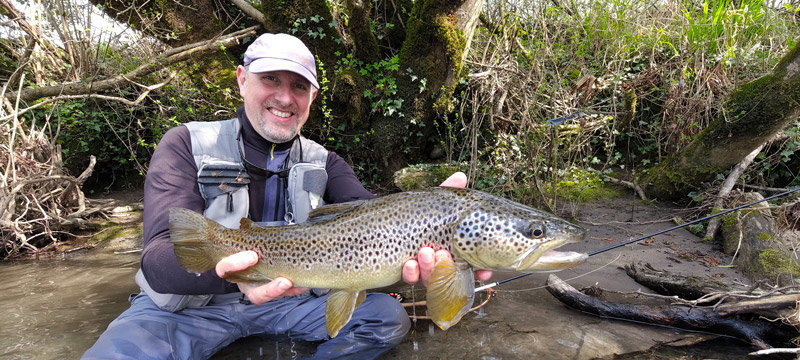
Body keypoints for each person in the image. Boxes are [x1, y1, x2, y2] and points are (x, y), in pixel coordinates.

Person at [83, 33, 491, 360]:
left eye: (299, 86)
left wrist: (430, 215)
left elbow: (372, 213)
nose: (284, 97)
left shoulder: (325, 162)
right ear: (242, 79)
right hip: (189, 310)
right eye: (270, 80)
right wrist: (238, 276)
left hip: (288, 303)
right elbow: (157, 262)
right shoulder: (184, 143)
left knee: (384, 318)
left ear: (312, 98)